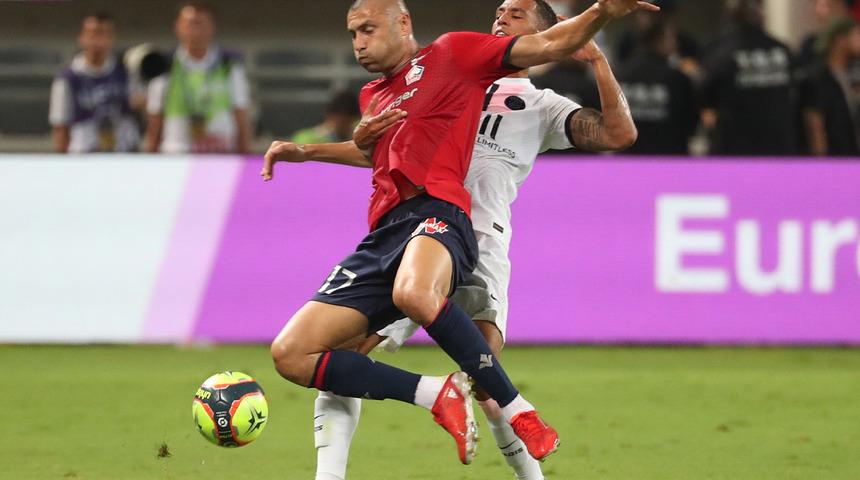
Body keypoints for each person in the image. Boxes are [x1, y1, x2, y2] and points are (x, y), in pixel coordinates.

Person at [260, 0, 656, 471]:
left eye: (517, 13)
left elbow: (616, 133)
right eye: (500, 10)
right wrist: (310, 150)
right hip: (409, 224)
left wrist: (595, 55)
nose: (502, 16)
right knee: (344, 360)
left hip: (477, 235)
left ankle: (528, 462)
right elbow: (386, 150)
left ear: (544, 32)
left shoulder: (539, 103)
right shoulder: (442, 71)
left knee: (485, 379)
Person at [145, 1, 251, 153]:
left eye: (200, 23)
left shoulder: (229, 66)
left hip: (221, 154)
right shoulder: (164, 66)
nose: (195, 30)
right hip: (176, 154)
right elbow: (155, 121)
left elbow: (241, 118)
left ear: (212, 27)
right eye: (190, 23)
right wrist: (151, 157)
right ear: (178, 26)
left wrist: (244, 158)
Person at [700, 0, 797, 156]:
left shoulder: (720, 52)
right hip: (777, 146)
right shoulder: (781, 49)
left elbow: (704, 94)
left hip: (737, 148)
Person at [49, 12, 139, 153]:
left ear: (112, 38)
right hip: (83, 153)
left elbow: (141, 107)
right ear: (82, 38)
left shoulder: (125, 72)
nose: (98, 40)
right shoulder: (68, 78)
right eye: (92, 34)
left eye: (104, 34)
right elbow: (60, 125)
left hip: (123, 152)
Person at [617, 19, 697, 154]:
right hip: (669, 158)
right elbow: (691, 123)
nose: (676, 43)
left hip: (628, 158)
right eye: (671, 38)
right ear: (657, 40)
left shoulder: (619, 74)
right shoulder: (677, 79)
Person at [803, 16, 860, 155]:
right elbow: (815, 126)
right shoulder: (817, 78)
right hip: (834, 161)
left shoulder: (851, 74)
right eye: (857, 35)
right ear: (841, 40)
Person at [291, 91, 361, 144]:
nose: (342, 125)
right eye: (340, 120)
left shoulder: (359, 140)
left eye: (347, 121)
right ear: (329, 115)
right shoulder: (304, 140)